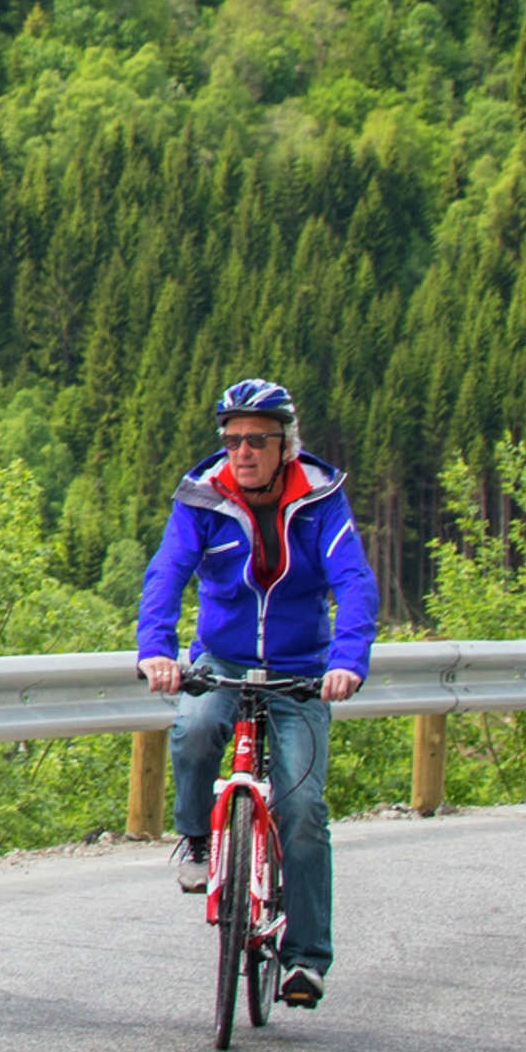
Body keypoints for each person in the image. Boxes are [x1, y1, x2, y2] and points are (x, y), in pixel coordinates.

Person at [137, 376, 376, 1010]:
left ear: (285, 446)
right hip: (224, 658)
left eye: (257, 441)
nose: (242, 452)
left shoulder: (321, 500)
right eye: (233, 439)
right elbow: (167, 572)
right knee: (193, 731)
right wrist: (156, 650)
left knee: (301, 813)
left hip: (301, 669)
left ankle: (305, 959)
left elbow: (352, 582)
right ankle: (194, 838)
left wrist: (348, 661)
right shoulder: (202, 497)